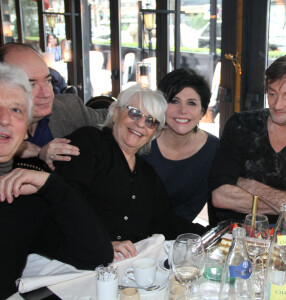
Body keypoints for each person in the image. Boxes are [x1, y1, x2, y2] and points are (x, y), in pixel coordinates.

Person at [54, 85, 208, 258]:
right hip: (77, 259)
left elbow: (166, 222)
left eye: (151, 121)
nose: (141, 124)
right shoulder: (90, 142)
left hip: (128, 266)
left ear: (154, 133)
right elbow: (64, 203)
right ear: (116, 113)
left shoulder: (146, 173)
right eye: (135, 113)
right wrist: (99, 244)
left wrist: (212, 234)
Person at [0, 63, 113, 298]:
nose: (5, 120)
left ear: (26, 131)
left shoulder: (23, 196)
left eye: (16, 110)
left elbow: (95, 255)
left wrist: (52, 186)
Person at [209, 54, 286, 225]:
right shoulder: (241, 125)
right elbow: (220, 196)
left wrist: (251, 186)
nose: (277, 105)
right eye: (272, 94)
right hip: (235, 233)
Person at [0, 43, 107, 171]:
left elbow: (114, 119)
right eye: (32, 85)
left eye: (48, 81)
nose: (46, 94)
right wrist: (13, 147)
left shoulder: (68, 108)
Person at [143, 68, 219, 223]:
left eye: (191, 103)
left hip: (175, 235)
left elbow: (189, 211)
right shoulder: (142, 140)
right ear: (162, 106)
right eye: (174, 101)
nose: (182, 110)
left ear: (202, 112)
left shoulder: (214, 151)